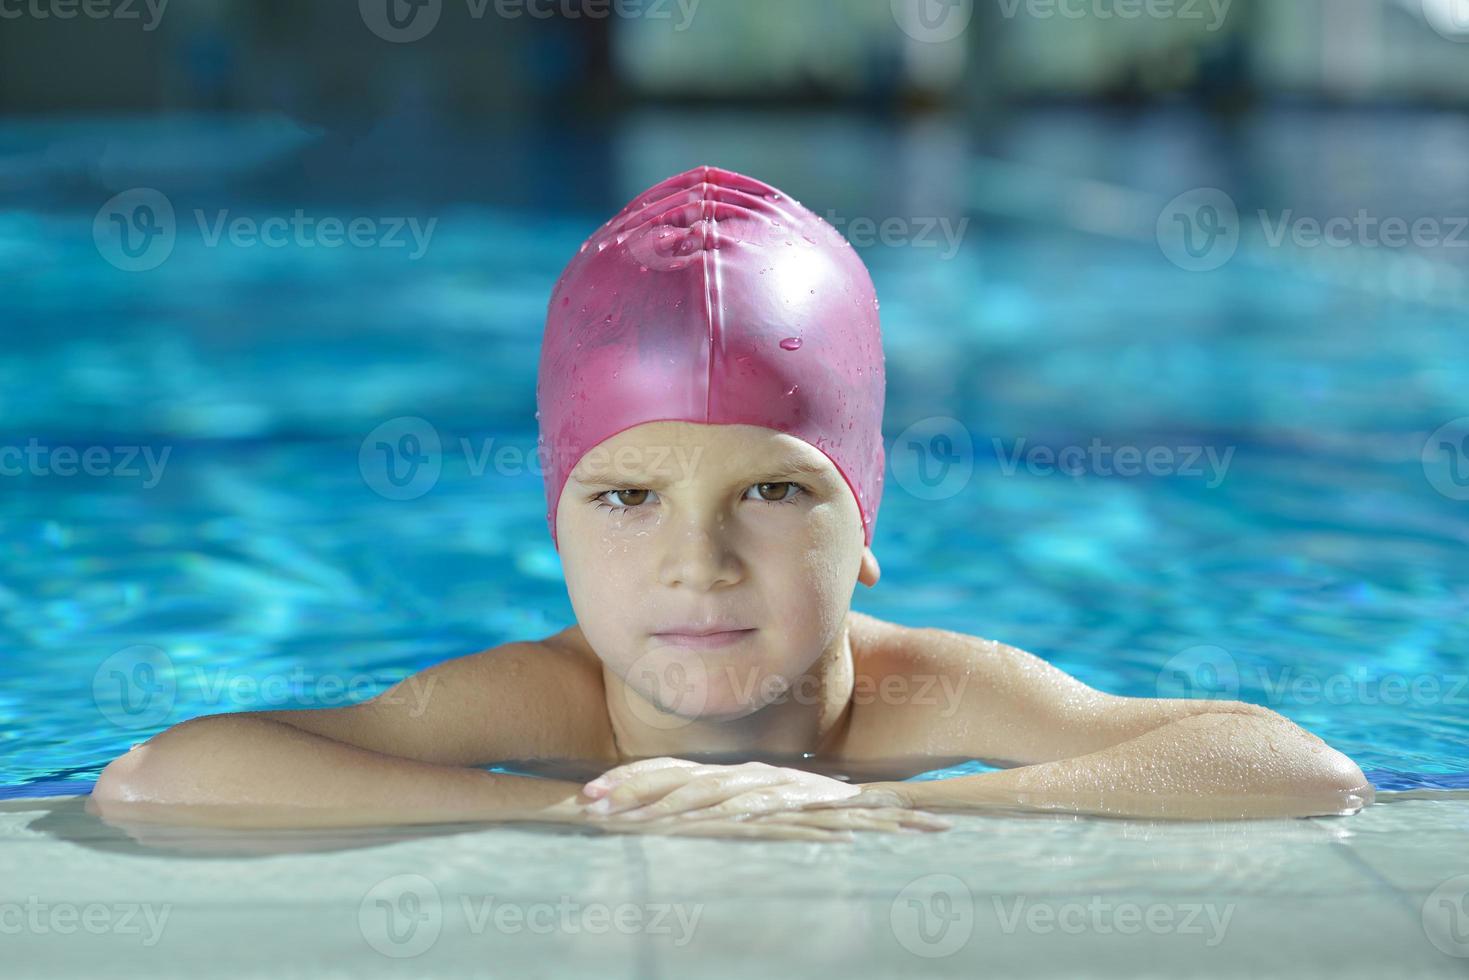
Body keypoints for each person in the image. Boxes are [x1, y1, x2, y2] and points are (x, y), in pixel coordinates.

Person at [90, 166, 1373, 842]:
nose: (694, 563)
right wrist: (586, 806)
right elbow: (159, 773)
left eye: (772, 488)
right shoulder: (540, 703)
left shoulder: (920, 695)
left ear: (864, 522)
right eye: (627, 495)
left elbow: (1295, 767)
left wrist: (861, 803)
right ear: (556, 528)